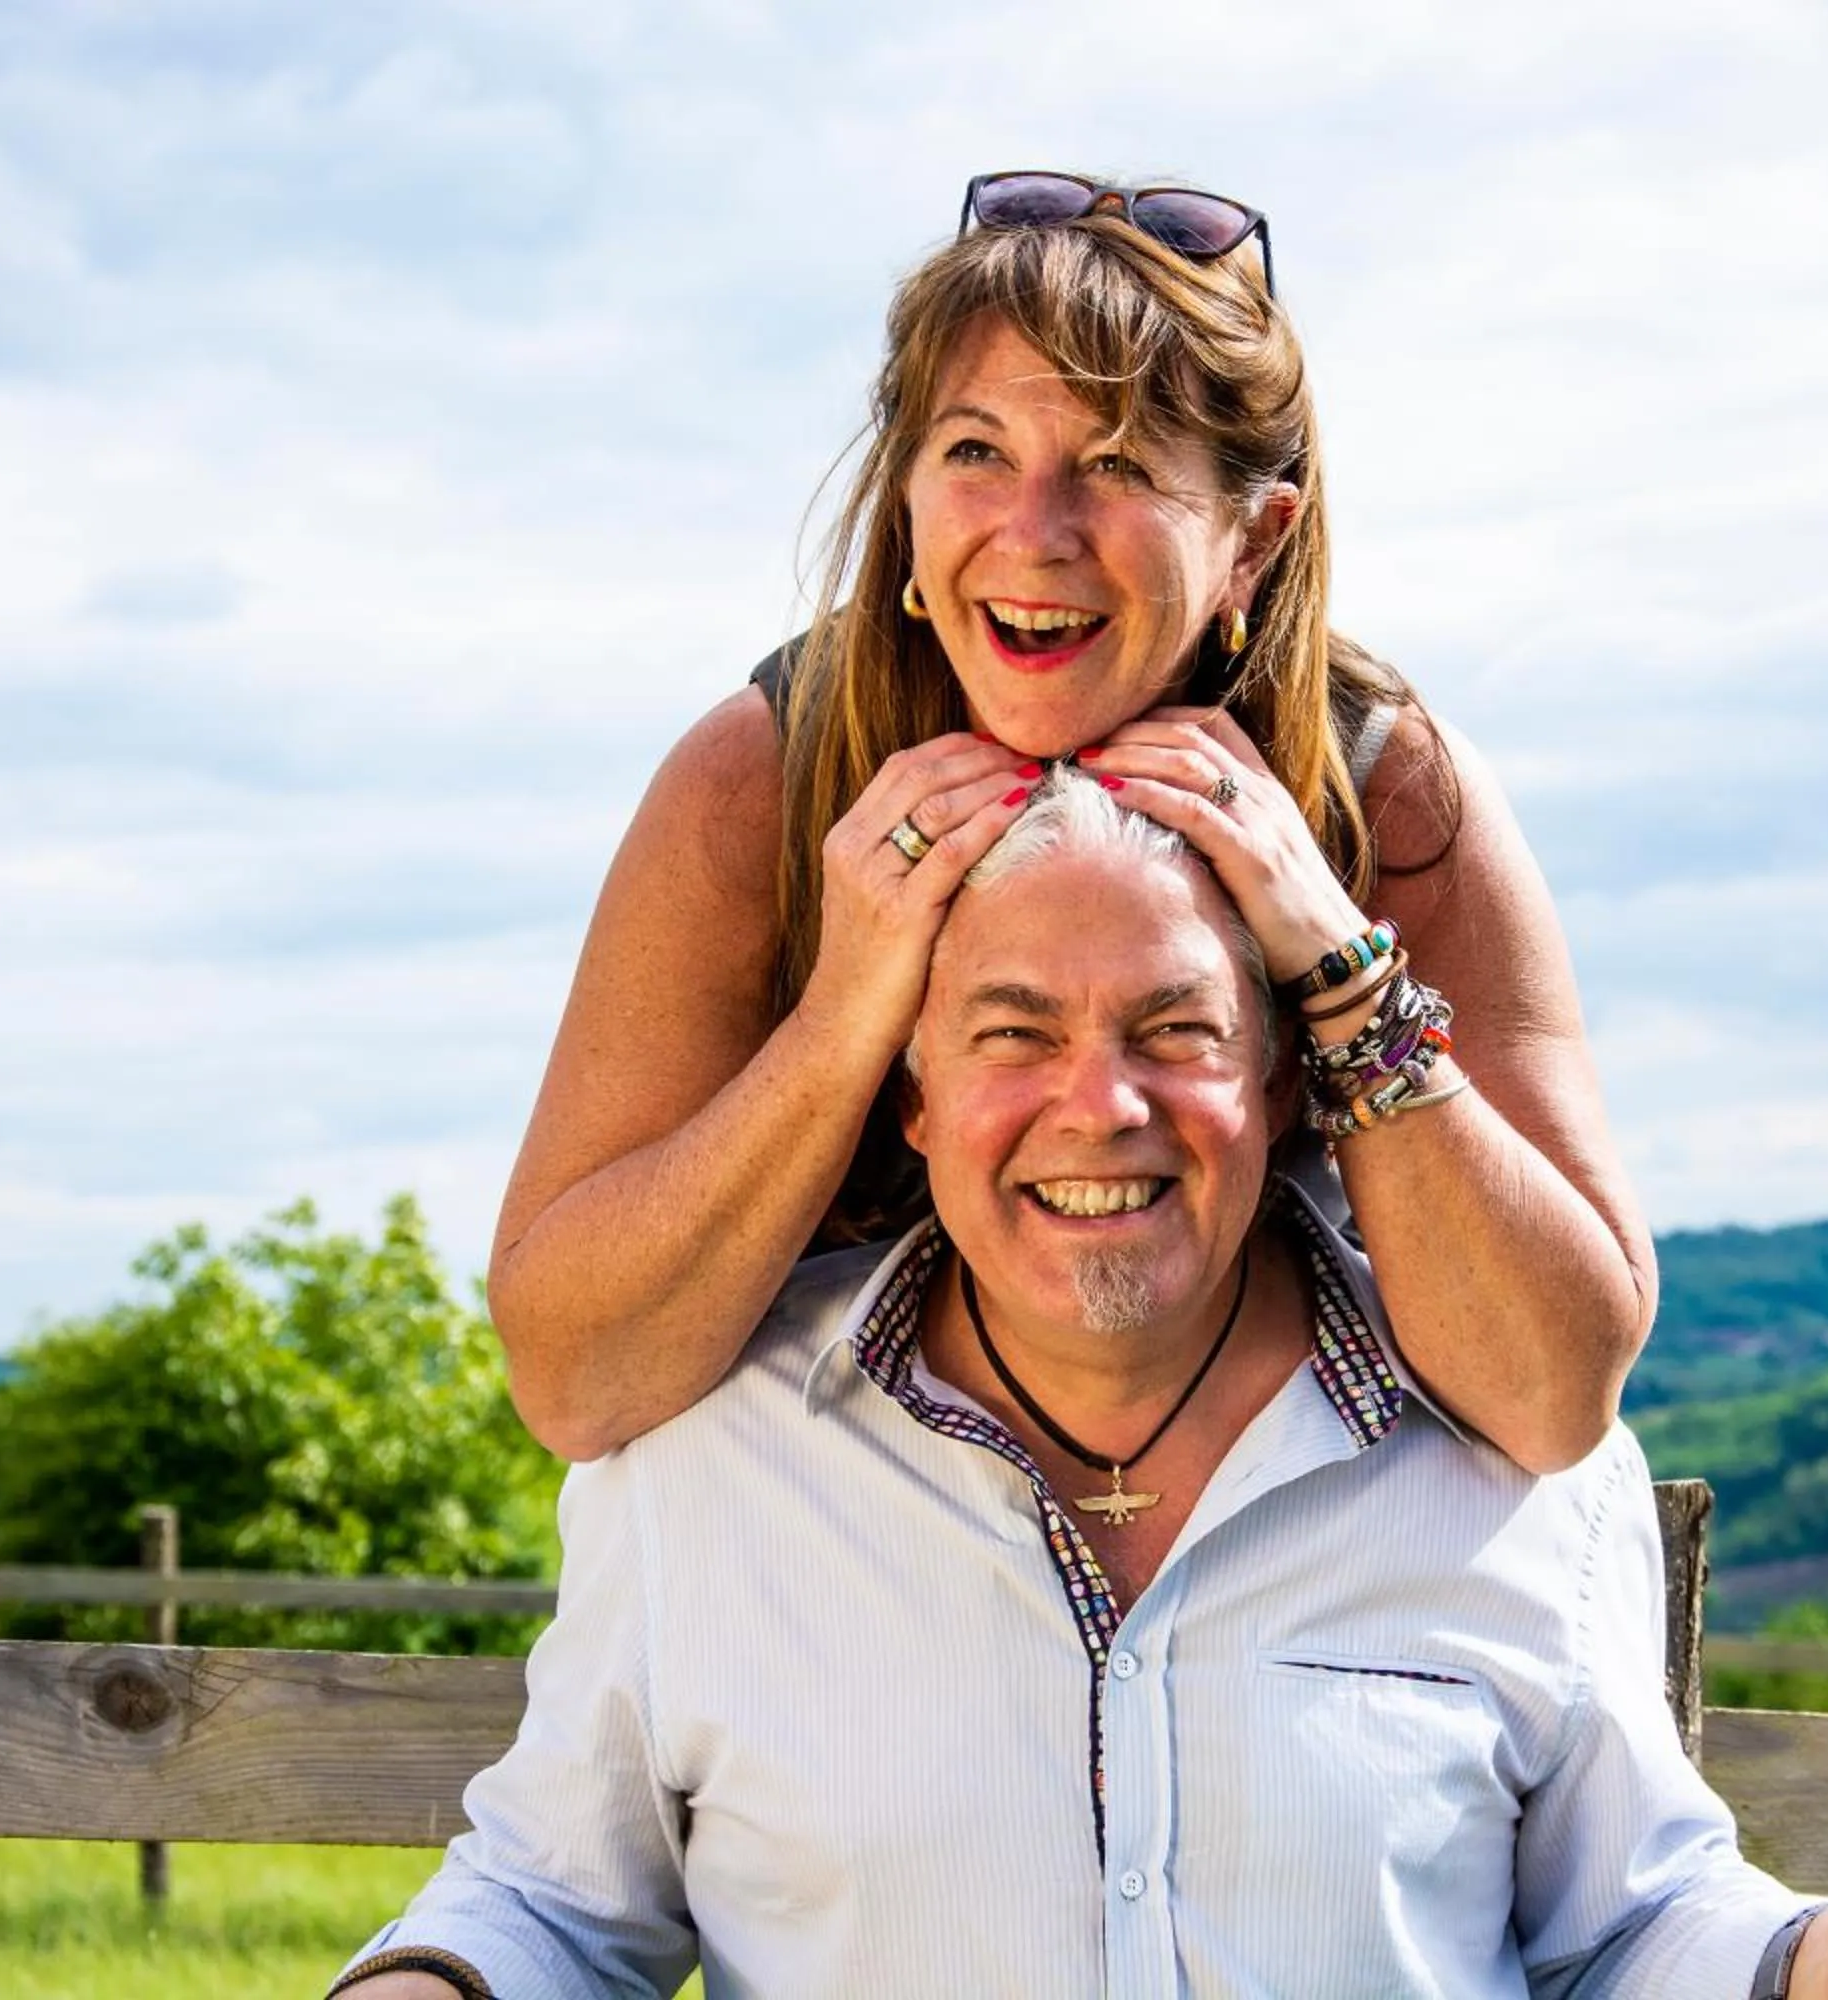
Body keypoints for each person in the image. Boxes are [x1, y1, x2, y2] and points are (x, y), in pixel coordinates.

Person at [334, 777, 1828, 1999]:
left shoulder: (1515, 1463)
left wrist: (1812, 1971)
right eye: (1014, 1034)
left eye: (1176, 1032)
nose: (1100, 1106)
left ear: (1284, 1088)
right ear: (917, 1099)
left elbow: (1626, 1928)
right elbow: (558, 1903)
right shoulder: (706, 1460)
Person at [491, 172, 1653, 1472]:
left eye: (1115, 466)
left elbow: (1555, 1393)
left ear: (1252, 544)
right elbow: (575, 1382)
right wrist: (842, 1024)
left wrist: (1337, 973)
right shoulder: (761, 777)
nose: (1034, 536)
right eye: (975, 452)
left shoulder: (1379, 784)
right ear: (908, 497)